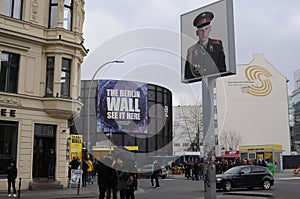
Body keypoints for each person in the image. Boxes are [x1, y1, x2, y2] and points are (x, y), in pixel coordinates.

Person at [184, 11, 226, 81]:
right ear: (197, 33)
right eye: (201, 30)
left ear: (210, 29)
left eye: (206, 29)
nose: (204, 33)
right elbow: (188, 75)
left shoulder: (217, 46)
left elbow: (222, 69)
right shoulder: (191, 51)